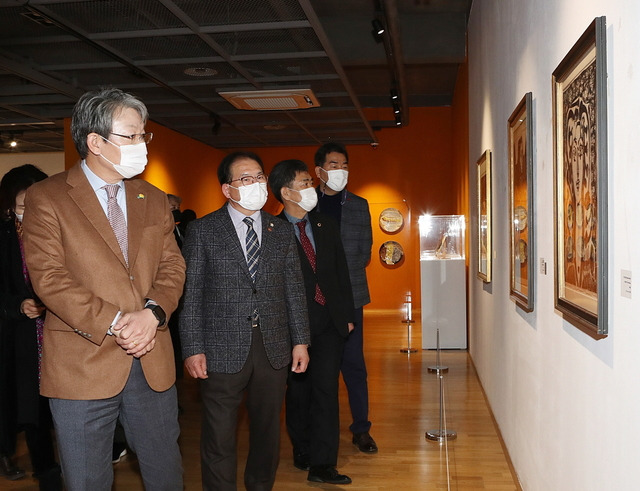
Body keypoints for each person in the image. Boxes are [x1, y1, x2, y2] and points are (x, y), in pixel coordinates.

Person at [22, 87, 186, 491]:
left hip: (152, 358)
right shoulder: (48, 197)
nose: (141, 145)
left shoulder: (153, 197)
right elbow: (50, 279)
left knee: (167, 475)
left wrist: (153, 314)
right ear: (95, 142)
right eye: (131, 136)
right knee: (86, 480)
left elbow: (172, 265)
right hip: (83, 362)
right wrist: (116, 322)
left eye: (143, 135)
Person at [179, 151, 310, 491]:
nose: (256, 184)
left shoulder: (280, 230)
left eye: (260, 177)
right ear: (227, 189)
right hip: (220, 348)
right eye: (246, 179)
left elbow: (294, 289)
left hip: (273, 346)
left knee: (267, 432)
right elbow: (190, 295)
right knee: (219, 436)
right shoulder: (203, 230)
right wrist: (192, 348)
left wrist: (301, 341)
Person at [269, 159, 354, 485]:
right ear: (286, 192)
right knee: (298, 394)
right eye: (305, 183)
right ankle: (302, 448)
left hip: (330, 323)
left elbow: (340, 273)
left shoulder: (325, 225)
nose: (311, 188)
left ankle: (323, 465)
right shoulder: (272, 231)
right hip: (293, 327)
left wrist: (346, 316)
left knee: (326, 392)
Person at [0, 164, 62, 490]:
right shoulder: (5, 235)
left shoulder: (56, 230)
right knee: (28, 406)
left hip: (58, 335)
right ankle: (42, 469)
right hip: (17, 338)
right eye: (24, 206)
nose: (30, 212)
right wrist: (16, 305)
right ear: (10, 205)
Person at [314, 142, 378, 453]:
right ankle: (319, 429)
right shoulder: (306, 205)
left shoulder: (359, 205)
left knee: (353, 365)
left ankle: (361, 429)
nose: (341, 170)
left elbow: (364, 253)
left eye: (344, 164)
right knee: (318, 367)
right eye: (334, 164)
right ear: (319, 171)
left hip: (350, 297)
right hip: (315, 301)